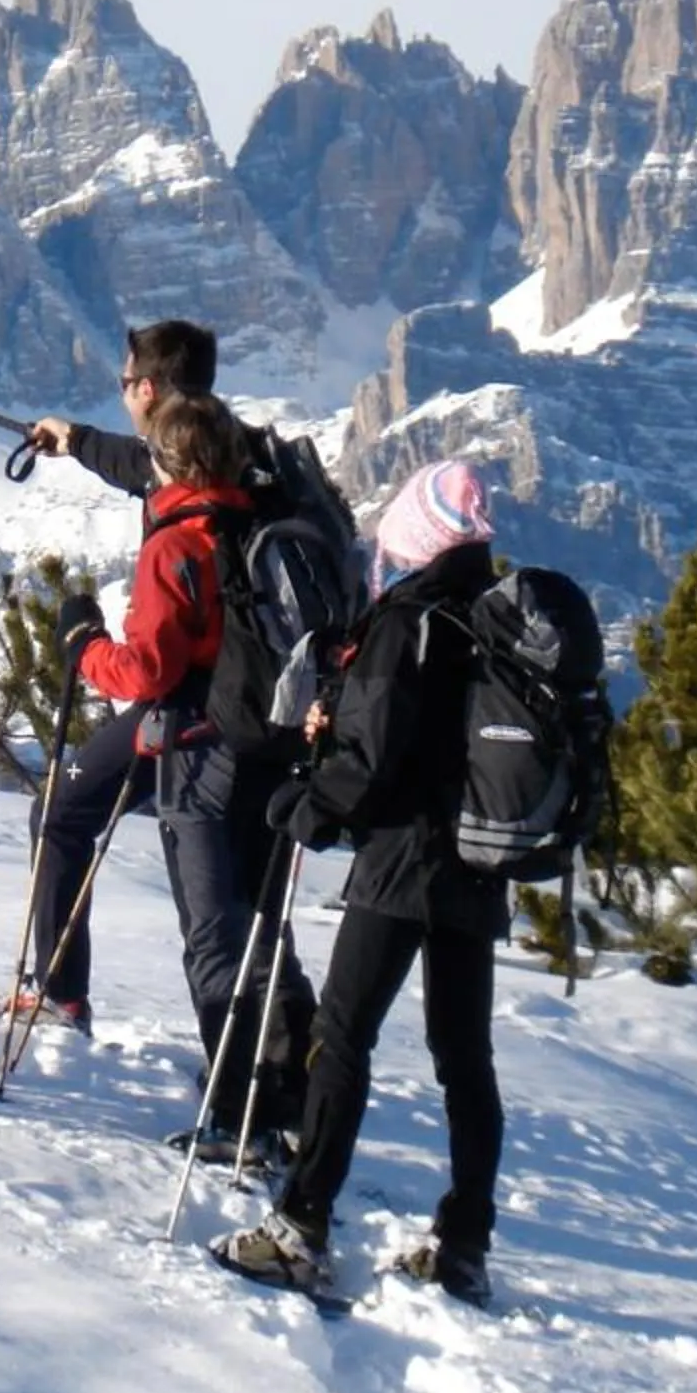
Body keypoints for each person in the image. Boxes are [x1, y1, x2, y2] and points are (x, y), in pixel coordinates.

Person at [212, 458, 509, 1308]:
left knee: (342, 1036)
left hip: (405, 862)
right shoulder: (495, 611)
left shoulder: (408, 616)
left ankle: (300, 1226)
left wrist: (307, 805)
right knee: (465, 1058)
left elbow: (375, 759)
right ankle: (464, 1246)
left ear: (420, 532)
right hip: (482, 862)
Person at [14, 323, 312, 1142]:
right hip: (274, 732)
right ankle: (285, 1093)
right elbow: (134, 460)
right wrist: (76, 442)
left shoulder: (178, 535)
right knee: (256, 917)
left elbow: (144, 668)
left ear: (148, 391)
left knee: (195, 916)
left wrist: (82, 650)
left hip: (188, 727)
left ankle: (71, 1003)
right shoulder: (252, 468)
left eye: (124, 384)